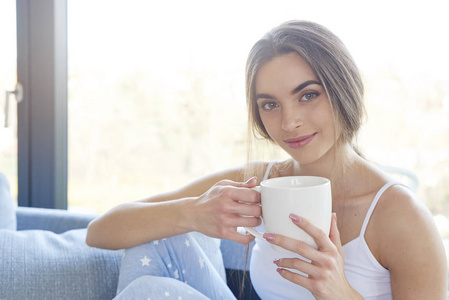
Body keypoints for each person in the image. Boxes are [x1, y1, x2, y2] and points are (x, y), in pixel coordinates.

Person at [86, 20, 447, 299]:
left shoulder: (399, 216)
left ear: (342, 89)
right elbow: (101, 231)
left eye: (308, 96)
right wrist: (193, 213)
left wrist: (340, 293)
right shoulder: (260, 183)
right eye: (270, 105)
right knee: (162, 238)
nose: (289, 122)